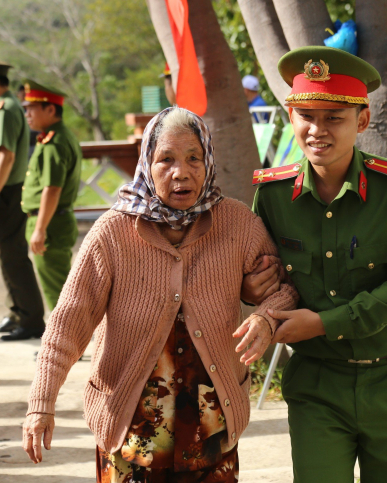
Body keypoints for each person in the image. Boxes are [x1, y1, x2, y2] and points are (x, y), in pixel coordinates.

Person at [21, 106, 298, 481]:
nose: (181, 172)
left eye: (193, 158)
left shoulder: (237, 224)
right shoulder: (112, 234)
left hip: (212, 436)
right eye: (165, 159)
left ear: (208, 162)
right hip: (130, 436)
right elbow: (67, 324)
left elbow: (284, 290)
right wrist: (41, 404)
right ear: (146, 165)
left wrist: (265, 318)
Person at [243, 46, 387, 482]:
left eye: (335, 117)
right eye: (307, 116)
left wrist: (325, 322)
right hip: (316, 385)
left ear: (362, 121)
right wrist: (256, 297)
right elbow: (268, 279)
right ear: (291, 119)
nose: (318, 130)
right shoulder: (272, 196)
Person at [0, 55, 45, 341]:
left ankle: (30, 319)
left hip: (4, 193)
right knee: (7, 254)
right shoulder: (5, 107)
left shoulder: (5, 109)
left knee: (13, 256)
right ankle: (17, 312)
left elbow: (6, 155)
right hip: (2, 192)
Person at [21, 80, 82, 310]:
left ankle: (60, 344)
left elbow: (52, 189)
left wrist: (40, 229)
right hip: (53, 221)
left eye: (31, 108)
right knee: (59, 288)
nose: (27, 114)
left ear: (50, 109)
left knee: (57, 293)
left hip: (50, 223)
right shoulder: (57, 136)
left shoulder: (54, 142)